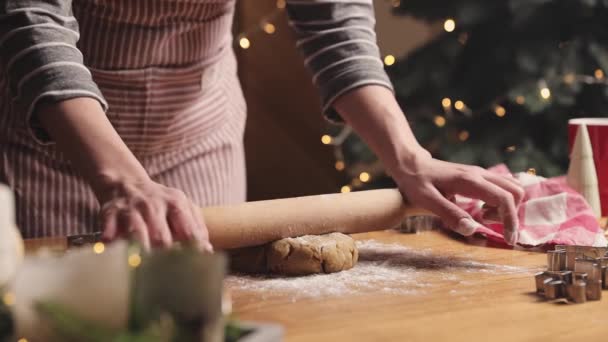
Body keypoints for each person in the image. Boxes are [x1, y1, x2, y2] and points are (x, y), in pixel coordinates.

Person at [0, 0, 524, 250]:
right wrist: (124, 180)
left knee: (198, 313)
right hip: (53, 147)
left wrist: (409, 157)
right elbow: (32, 21)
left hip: (199, 138)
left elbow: (332, 15)